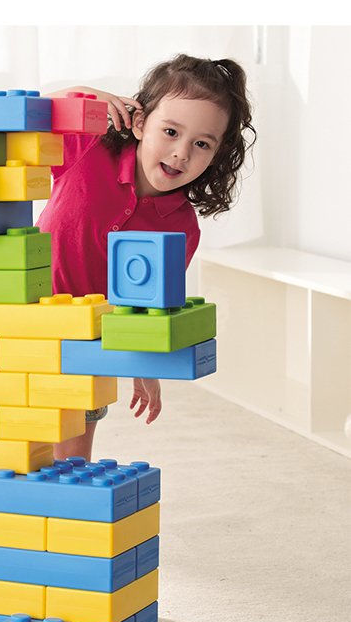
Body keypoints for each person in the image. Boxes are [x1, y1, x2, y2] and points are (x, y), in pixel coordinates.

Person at [37, 54, 257, 462]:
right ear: (139, 123)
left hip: (88, 347)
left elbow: (148, 307)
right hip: (23, 322)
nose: (181, 153)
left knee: (70, 462)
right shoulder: (87, 150)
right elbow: (24, 118)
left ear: (216, 155)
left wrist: (146, 366)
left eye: (202, 144)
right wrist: (79, 97)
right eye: (171, 132)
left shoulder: (182, 227)